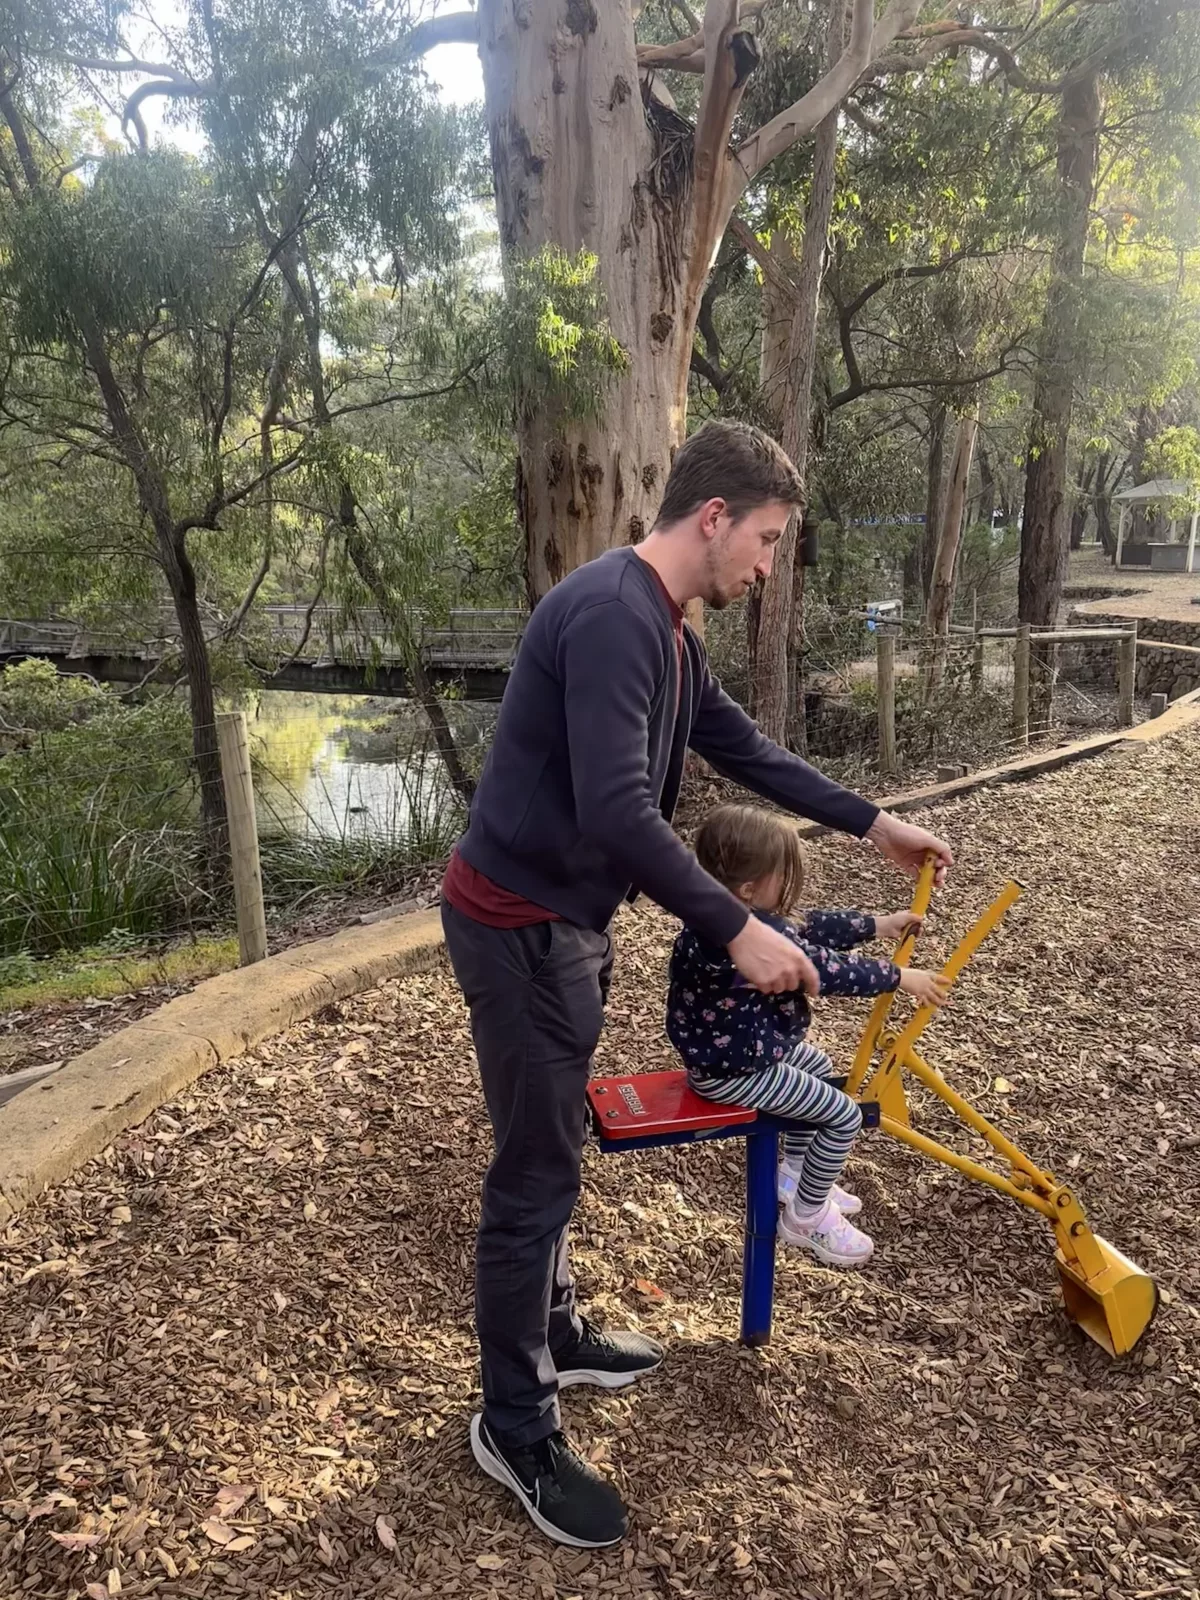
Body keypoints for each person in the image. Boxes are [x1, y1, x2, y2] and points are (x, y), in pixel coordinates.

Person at [440, 418, 953, 1549]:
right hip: (518, 928)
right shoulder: (617, 617)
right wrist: (738, 928)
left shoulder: (665, 629)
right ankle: (511, 1420)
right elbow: (622, 811)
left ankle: (556, 1336)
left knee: (555, 1151)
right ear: (712, 516)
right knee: (532, 1176)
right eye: (765, 539)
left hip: (560, 927)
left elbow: (750, 753)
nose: (768, 566)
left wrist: (876, 823)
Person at [667, 803, 950, 1267]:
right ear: (748, 888)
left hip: (733, 1052)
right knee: (842, 1116)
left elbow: (806, 926)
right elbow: (821, 966)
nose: (787, 888)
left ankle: (795, 1173)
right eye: (781, 876)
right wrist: (900, 977)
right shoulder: (742, 940)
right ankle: (806, 1217)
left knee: (817, 1065)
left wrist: (876, 925)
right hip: (734, 1071)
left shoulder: (719, 916)